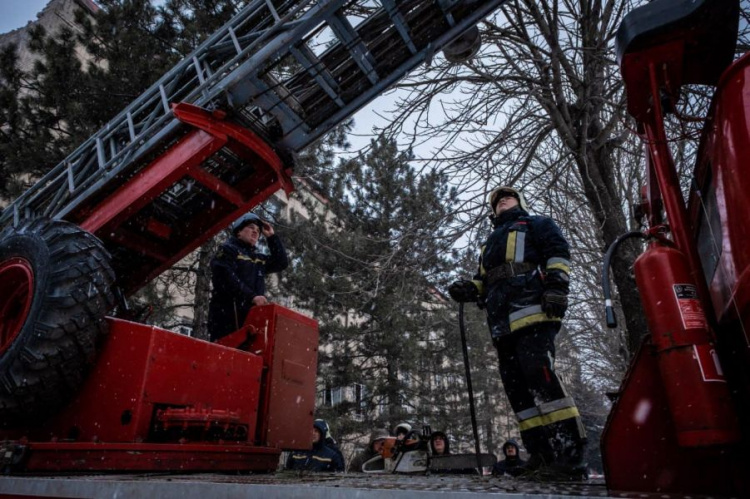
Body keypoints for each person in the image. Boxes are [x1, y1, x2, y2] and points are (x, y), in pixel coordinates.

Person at [448, 186, 587, 478]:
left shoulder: (537, 224)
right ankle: (541, 454)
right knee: (516, 389)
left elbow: (558, 254)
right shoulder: (489, 245)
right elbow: (482, 282)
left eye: (507, 197)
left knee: (540, 376)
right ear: (493, 211)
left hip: (534, 313)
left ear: (520, 202)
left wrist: (557, 288)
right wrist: (468, 289)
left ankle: (570, 454)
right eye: (497, 201)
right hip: (501, 326)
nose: (502, 201)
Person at [208, 212, 288, 341]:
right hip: (227, 319)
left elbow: (281, 263)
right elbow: (226, 277)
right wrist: (252, 297)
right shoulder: (227, 250)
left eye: (258, 230)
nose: (255, 232)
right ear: (238, 231)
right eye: (251, 227)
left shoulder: (258, 259)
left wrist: (272, 237)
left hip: (251, 322)